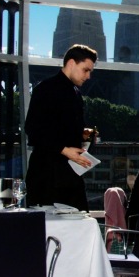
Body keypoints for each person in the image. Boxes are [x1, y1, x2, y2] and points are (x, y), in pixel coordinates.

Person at [25, 44, 98, 211]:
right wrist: (64, 150)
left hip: (69, 174)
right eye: (85, 70)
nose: (88, 76)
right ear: (71, 63)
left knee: (79, 224)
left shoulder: (76, 93)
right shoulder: (46, 89)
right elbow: (32, 129)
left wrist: (81, 133)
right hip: (47, 175)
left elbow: (57, 127)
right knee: (48, 229)